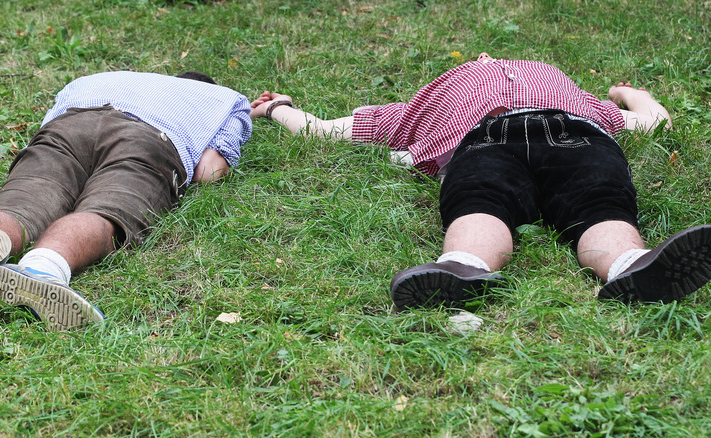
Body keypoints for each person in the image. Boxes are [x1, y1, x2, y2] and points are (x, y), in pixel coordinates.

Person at [251, 52, 711, 311]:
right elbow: (324, 130)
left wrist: (630, 93)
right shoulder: (420, 107)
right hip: (484, 142)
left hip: (573, 133)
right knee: (478, 200)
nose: (489, 61)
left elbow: (653, 123)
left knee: (597, 200)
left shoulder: (581, 96)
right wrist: (278, 108)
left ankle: (630, 266)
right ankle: (461, 268)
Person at [0, 70, 254, 330]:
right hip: (149, 140)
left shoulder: (95, 79)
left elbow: (50, 122)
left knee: (18, 207)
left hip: (71, 125)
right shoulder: (224, 99)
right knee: (106, 210)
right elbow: (208, 173)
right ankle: (42, 269)